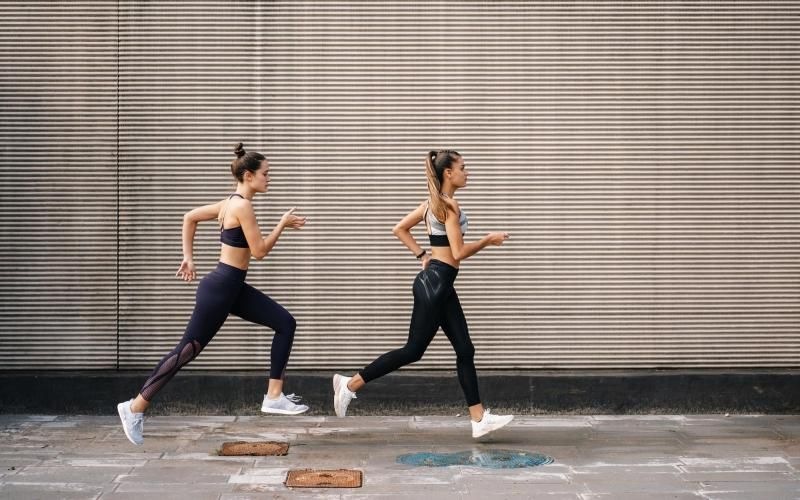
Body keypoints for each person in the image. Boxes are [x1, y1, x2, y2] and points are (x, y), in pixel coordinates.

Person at [117, 143, 308, 446]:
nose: (269, 179)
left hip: (232, 287)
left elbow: (189, 217)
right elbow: (258, 252)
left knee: (286, 323)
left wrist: (189, 258)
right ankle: (134, 406)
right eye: (266, 174)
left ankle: (274, 396)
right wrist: (282, 225)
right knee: (187, 350)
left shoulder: (228, 202)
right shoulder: (242, 206)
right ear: (248, 175)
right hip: (221, 288)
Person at [333, 150, 514, 438]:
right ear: (448, 174)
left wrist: (421, 254)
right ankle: (349, 385)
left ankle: (478, 419)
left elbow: (399, 229)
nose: (468, 173)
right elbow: (458, 252)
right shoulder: (449, 206)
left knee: (464, 349)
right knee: (413, 350)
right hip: (435, 285)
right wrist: (487, 240)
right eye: (463, 168)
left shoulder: (431, 205)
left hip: (439, 284)